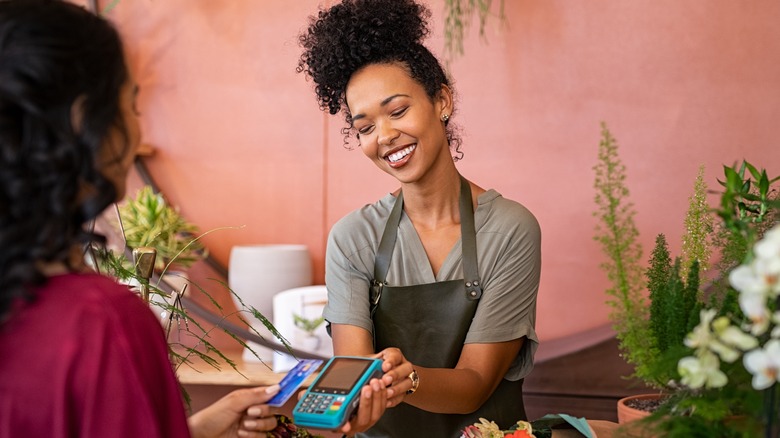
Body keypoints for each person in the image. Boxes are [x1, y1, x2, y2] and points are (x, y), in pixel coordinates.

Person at [0, 1, 280, 437]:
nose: (138, 131)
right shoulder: (102, 322)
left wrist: (196, 430)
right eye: (131, 106)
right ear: (83, 120)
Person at [297, 0, 542, 437]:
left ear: (442, 100)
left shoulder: (509, 229)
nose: (385, 137)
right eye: (366, 127)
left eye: (397, 111)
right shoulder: (353, 238)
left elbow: (474, 385)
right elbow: (352, 380)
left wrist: (406, 377)